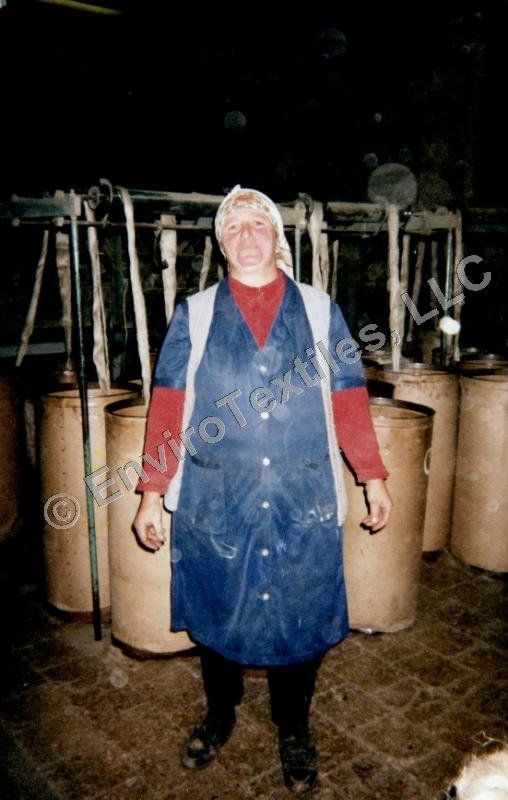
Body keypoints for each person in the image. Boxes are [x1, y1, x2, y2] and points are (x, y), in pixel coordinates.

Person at [133, 186, 392, 795]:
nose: (246, 235)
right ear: (220, 245)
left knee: (302, 615)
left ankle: (293, 727)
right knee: (220, 610)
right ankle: (220, 713)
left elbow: (349, 396)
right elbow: (167, 406)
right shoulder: (194, 314)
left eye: (257, 223)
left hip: (304, 492)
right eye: (233, 228)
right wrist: (151, 490)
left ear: (277, 236)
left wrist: (372, 475)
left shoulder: (321, 308)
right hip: (217, 496)